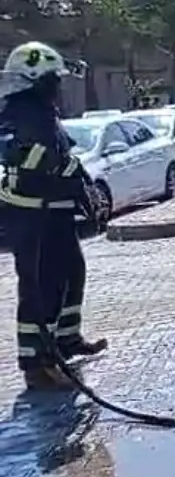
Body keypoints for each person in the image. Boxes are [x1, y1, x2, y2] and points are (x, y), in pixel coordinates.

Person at [0, 42, 108, 391]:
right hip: (29, 211)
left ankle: (67, 339)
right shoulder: (13, 111)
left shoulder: (44, 110)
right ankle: (37, 363)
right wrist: (55, 166)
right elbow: (18, 153)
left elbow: (64, 156)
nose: (58, 86)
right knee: (40, 286)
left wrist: (85, 188)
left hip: (56, 209)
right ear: (33, 79)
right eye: (52, 79)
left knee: (72, 271)